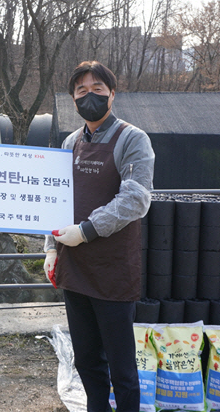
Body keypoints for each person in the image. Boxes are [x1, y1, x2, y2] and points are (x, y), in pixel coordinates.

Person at [44, 61, 155, 412]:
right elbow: (54, 199)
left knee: (122, 366)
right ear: (72, 98)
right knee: (87, 359)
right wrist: (51, 249)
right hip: (74, 267)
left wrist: (85, 230)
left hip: (112, 270)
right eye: (81, 90)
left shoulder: (132, 139)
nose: (88, 96)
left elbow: (136, 198)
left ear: (112, 93)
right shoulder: (70, 141)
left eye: (97, 89)